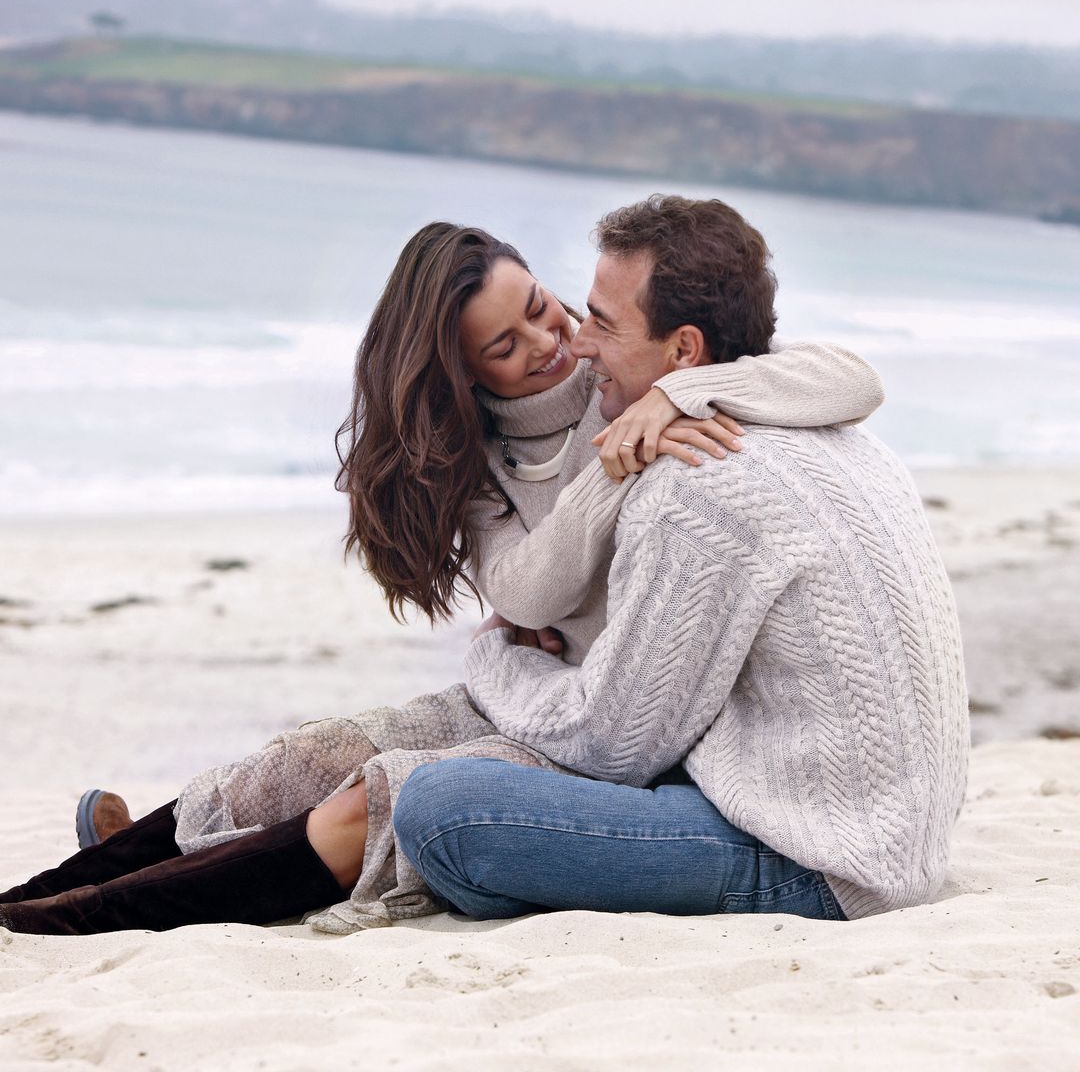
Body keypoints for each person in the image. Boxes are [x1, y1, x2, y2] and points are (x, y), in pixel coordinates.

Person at [0, 211, 886, 935]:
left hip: (621, 715)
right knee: (316, 752)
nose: (550, 343)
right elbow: (528, 591)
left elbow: (846, 376)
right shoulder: (483, 461)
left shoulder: (632, 368)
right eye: (504, 344)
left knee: (374, 798)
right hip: (551, 688)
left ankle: (92, 916)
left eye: (541, 307)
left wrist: (671, 395)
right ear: (465, 373)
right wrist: (614, 469)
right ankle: (78, 877)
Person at [391, 195, 969, 923]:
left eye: (602, 322)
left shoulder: (695, 484)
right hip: (899, 836)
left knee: (440, 810)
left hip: (811, 860)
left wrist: (494, 658)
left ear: (684, 352)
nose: (577, 343)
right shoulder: (834, 431)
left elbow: (609, 745)